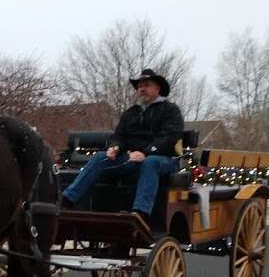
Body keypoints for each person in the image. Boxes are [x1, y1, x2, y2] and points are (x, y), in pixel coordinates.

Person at [61, 68, 184, 224]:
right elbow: (119, 136)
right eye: (139, 86)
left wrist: (145, 153)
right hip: (131, 159)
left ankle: (140, 213)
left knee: (150, 162)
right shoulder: (131, 112)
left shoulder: (170, 110)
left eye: (146, 85)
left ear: (157, 88)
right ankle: (67, 200)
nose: (142, 89)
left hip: (163, 160)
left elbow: (170, 138)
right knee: (100, 157)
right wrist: (115, 147)